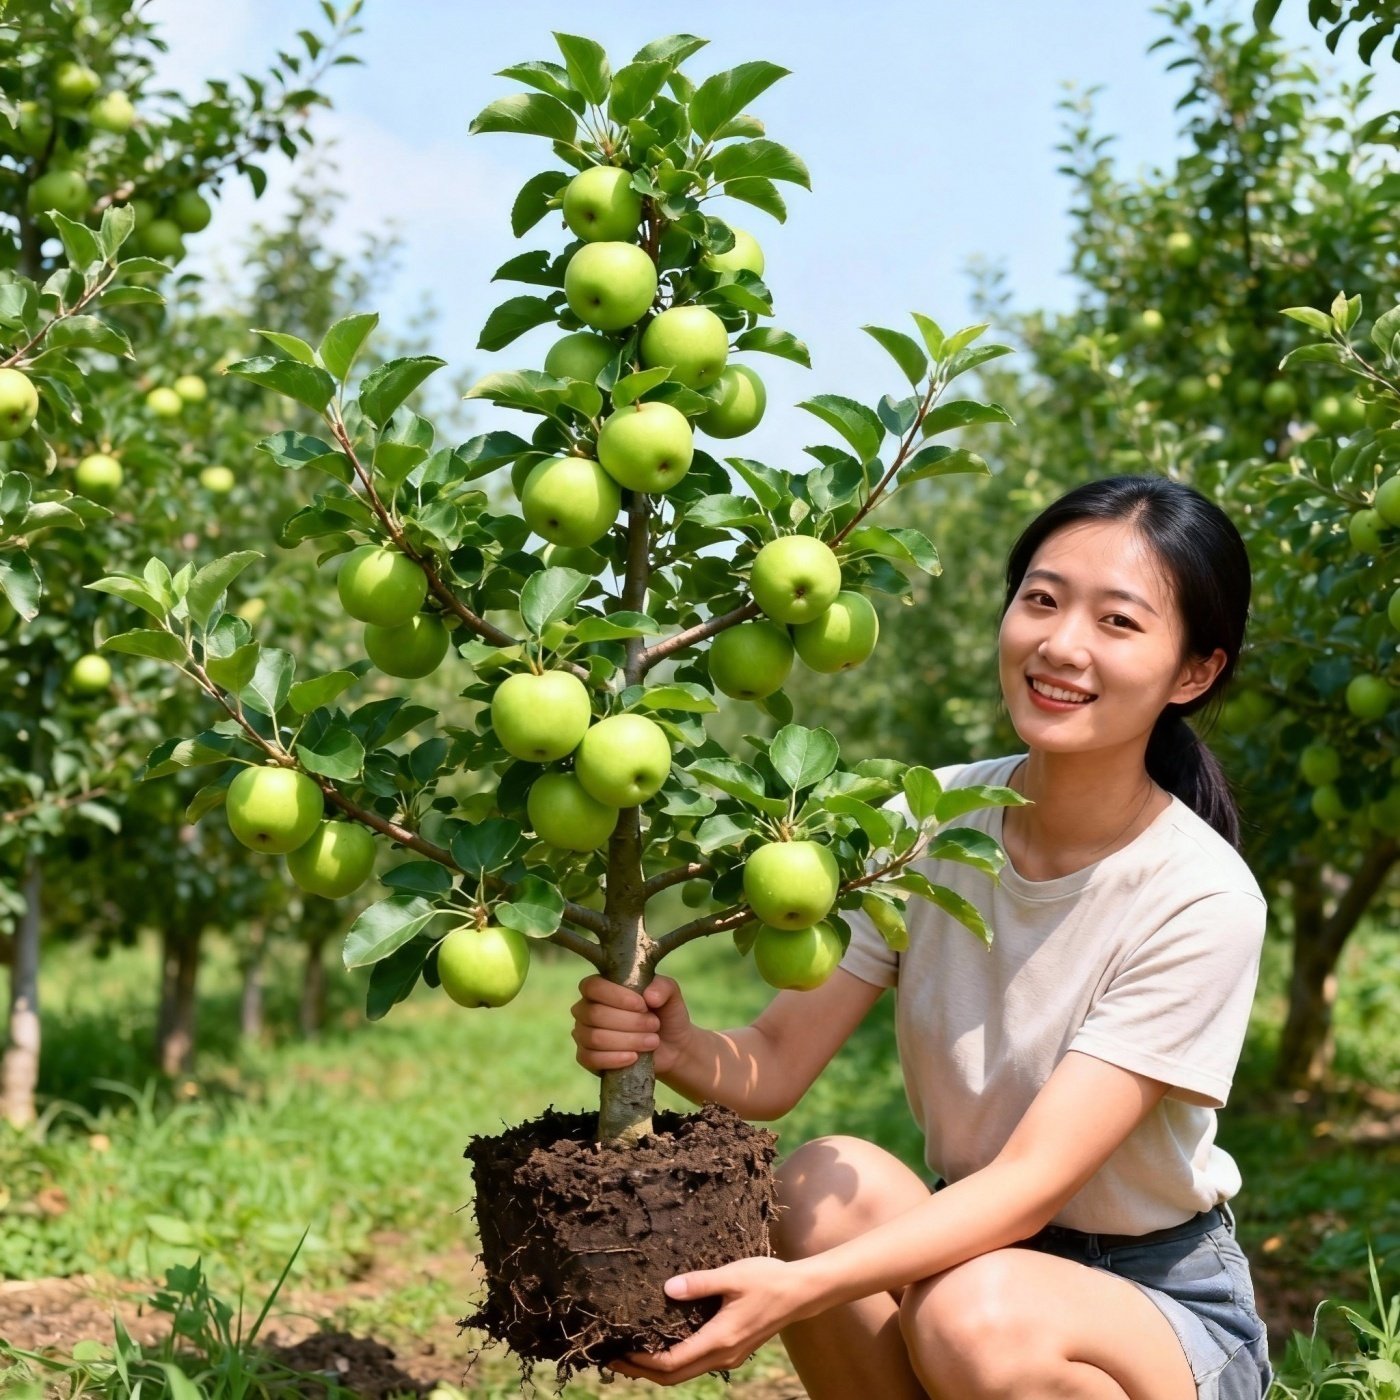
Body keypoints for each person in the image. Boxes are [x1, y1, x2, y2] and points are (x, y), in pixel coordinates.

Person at [571, 475, 1274, 1399]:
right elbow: (774, 1064)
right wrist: (677, 1045)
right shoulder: (927, 823)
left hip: (1152, 1300)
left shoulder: (1200, 895)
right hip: (974, 1258)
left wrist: (794, 1292)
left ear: (1193, 673)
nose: (1062, 645)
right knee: (817, 1184)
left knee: (973, 1314)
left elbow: (1031, 1182)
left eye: (1117, 622)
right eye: (1043, 600)